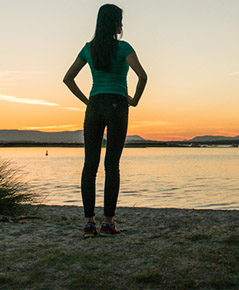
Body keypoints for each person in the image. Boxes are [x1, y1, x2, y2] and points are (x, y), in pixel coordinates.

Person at [63, 4, 147, 238]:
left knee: (90, 165)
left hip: (95, 106)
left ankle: (89, 222)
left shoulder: (89, 49)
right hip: (118, 105)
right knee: (112, 165)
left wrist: (87, 102)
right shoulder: (124, 48)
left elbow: (68, 78)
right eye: (121, 20)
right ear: (115, 23)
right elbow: (143, 76)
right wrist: (135, 100)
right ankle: (108, 222)